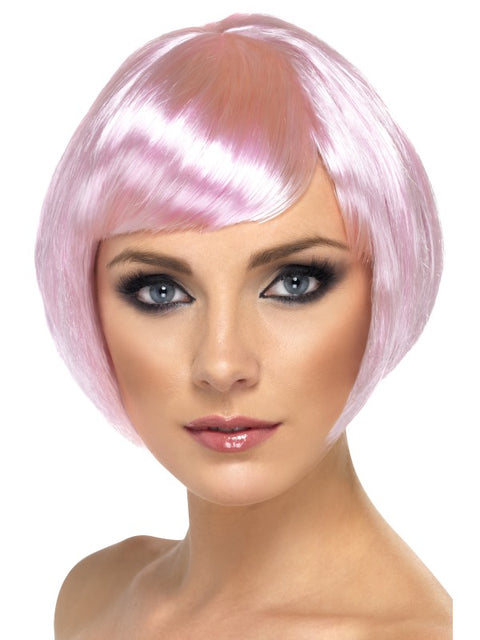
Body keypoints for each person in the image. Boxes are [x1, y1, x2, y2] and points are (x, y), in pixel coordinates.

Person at [36, 13, 452, 639]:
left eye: (294, 283)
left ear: (387, 286)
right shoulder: (92, 596)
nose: (222, 364)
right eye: (161, 291)